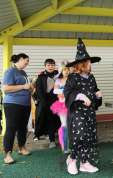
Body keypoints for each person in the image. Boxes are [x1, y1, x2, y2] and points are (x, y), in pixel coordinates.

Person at [64, 38, 102, 175]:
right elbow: (67, 93)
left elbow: (94, 90)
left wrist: (97, 94)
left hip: (89, 111)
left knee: (88, 136)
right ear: (82, 63)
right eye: (89, 62)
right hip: (77, 111)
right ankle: (72, 159)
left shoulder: (91, 78)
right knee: (79, 135)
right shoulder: (73, 77)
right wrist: (81, 96)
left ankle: (84, 162)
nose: (91, 64)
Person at [2, 53, 34, 164]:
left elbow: (25, 85)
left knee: (22, 127)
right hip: (13, 103)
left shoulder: (23, 72)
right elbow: (5, 87)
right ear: (20, 59)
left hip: (25, 104)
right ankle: (7, 154)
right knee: (11, 128)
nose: (27, 63)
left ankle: (22, 148)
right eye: (27, 60)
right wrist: (24, 86)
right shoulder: (10, 71)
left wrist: (30, 86)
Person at [33, 59, 61, 148]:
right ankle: (52, 140)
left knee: (60, 120)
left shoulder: (59, 75)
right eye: (48, 65)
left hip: (59, 101)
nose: (50, 67)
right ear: (45, 66)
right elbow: (39, 91)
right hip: (48, 102)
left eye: (52, 65)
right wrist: (42, 102)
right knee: (50, 120)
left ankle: (60, 137)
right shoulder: (41, 77)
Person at [51, 60, 71, 153]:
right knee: (64, 125)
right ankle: (65, 146)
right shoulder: (58, 80)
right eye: (64, 70)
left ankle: (74, 144)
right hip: (62, 105)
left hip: (72, 104)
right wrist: (65, 92)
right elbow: (55, 91)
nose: (66, 71)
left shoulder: (72, 80)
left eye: (67, 69)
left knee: (73, 124)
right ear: (61, 71)